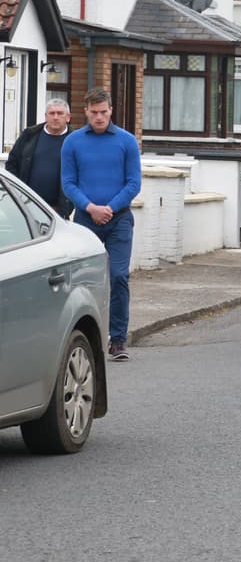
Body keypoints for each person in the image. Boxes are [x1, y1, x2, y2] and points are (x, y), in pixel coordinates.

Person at [61, 88, 142, 361]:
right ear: (85, 111)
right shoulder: (72, 142)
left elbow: (134, 183)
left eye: (103, 112)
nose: (99, 117)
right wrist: (90, 207)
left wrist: (110, 208)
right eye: (94, 112)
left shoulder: (127, 141)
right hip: (85, 219)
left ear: (111, 110)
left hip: (118, 219)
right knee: (84, 281)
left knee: (119, 276)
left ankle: (118, 339)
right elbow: (68, 183)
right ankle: (85, 336)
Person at [5, 98, 73, 217]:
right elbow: (12, 164)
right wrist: (17, 195)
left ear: (68, 117)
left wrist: (66, 207)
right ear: (46, 117)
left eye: (60, 113)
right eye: (52, 113)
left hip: (58, 211)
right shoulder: (29, 136)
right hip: (25, 207)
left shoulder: (75, 141)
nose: (55, 117)